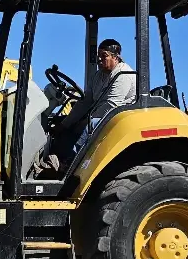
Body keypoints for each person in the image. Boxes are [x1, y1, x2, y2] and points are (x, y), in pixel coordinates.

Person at [34, 39, 137, 177]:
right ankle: (53, 157)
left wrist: (84, 121)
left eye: (104, 55)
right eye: (98, 56)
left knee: (91, 124)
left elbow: (111, 106)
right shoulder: (97, 76)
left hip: (119, 117)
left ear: (115, 56)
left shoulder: (123, 75)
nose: (99, 59)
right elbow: (85, 102)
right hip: (102, 114)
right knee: (63, 122)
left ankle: (70, 165)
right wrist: (65, 124)